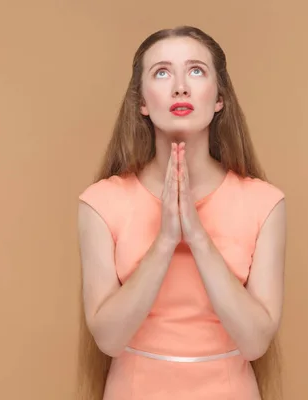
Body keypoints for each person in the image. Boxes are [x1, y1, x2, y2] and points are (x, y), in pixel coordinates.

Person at [76, 25, 287, 400]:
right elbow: (108, 339)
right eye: (161, 72)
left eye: (195, 71)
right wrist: (165, 240)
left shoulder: (264, 203)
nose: (180, 87)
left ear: (219, 98)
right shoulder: (100, 202)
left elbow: (255, 342)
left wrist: (198, 236)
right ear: (141, 102)